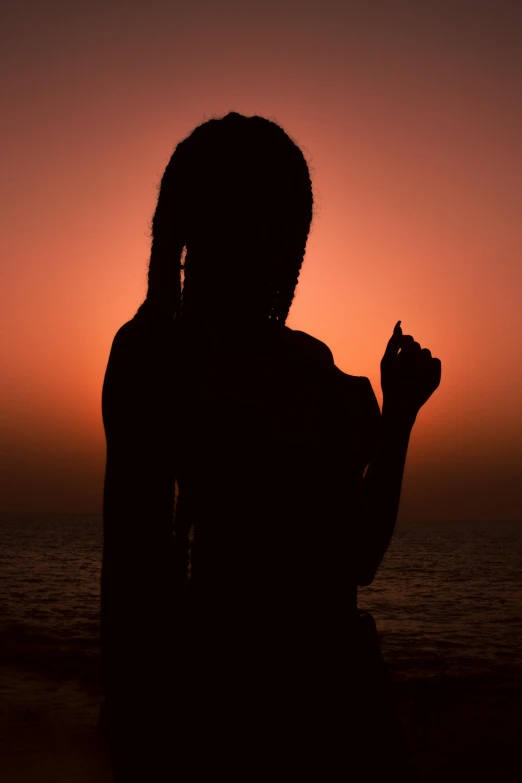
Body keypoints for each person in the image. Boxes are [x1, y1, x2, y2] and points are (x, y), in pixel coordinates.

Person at [100, 112, 441, 781]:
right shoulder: (157, 355)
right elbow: (134, 581)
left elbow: (357, 556)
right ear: (201, 222)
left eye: (291, 221)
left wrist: (399, 417)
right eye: (260, 214)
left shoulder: (308, 362)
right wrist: (144, 739)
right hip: (231, 718)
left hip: (345, 711)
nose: (281, 242)